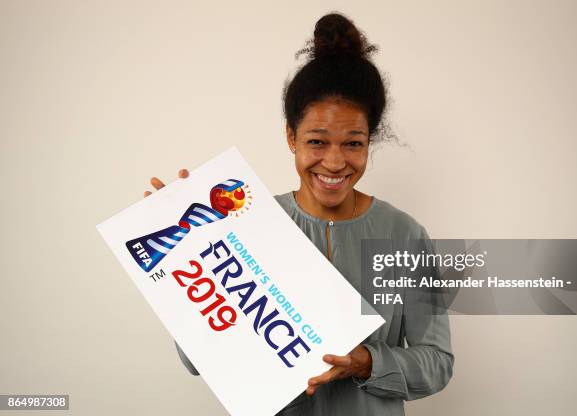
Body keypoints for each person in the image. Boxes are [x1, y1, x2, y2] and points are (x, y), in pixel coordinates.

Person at [144, 12, 453, 416]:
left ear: (369, 142)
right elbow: (195, 361)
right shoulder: (244, 222)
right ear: (291, 137)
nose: (335, 161)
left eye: (354, 144)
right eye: (317, 141)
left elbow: (438, 362)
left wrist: (370, 362)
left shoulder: (405, 235)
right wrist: (190, 248)